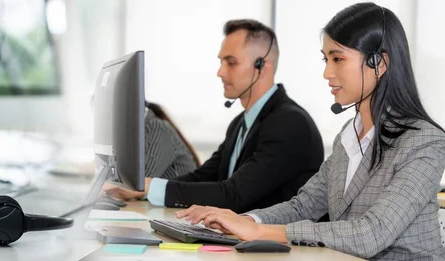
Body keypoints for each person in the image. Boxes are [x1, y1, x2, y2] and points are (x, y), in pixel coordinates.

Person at [175, 3, 445, 260]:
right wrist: (244, 221)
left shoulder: (423, 141)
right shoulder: (349, 136)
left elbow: (373, 232)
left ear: (378, 63)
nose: (327, 73)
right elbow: (303, 206)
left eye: (338, 59)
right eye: (325, 59)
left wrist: (259, 232)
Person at [105, 19, 324, 214]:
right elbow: (204, 176)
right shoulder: (241, 123)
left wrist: (152, 187)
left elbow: (234, 195)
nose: (220, 72)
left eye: (231, 62)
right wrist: (144, 188)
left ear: (262, 67)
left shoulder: (289, 123)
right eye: (221, 62)